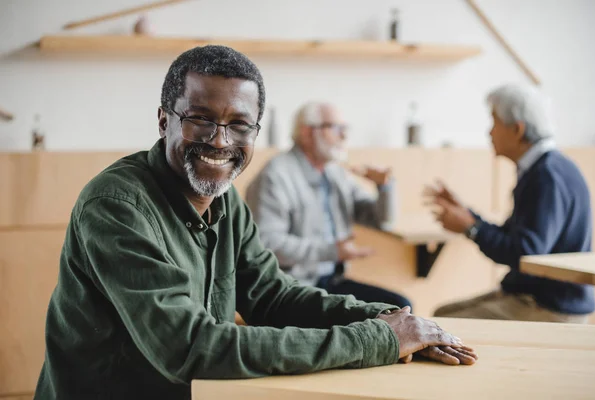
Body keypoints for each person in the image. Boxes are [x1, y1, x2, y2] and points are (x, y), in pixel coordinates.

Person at [34, 46, 476, 400]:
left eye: (239, 125)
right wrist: (374, 340)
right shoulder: (115, 206)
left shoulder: (226, 200)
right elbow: (189, 348)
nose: (221, 140)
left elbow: (274, 296)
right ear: (164, 118)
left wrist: (390, 320)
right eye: (201, 119)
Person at [426, 84, 595, 323]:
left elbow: (526, 254)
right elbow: (516, 237)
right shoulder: (544, 169)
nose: (489, 133)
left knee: (442, 324)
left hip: (549, 306)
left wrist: (471, 228)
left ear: (517, 129)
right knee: (440, 317)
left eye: (494, 123)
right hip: (532, 296)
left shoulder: (546, 176)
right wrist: (468, 216)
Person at [246, 102, 411, 309]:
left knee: (401, 307)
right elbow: (268, 245)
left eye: (345, 129)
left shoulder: (335, 173)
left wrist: (384, 187)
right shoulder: (276, 175)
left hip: (331, 281)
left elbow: (383, 221)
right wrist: (332, 251)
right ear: (307, 133)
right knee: (390, 314)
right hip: (291, 287)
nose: (344, 136)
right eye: (335, 128)